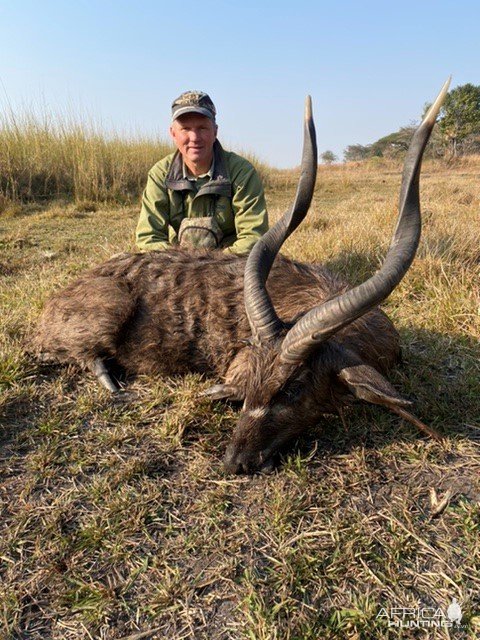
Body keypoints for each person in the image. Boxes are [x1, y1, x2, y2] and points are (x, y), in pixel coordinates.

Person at [136, 91, 268, 254]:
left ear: (215, 131)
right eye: (185, 129)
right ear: (173, 133)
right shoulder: (160, 174)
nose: (194, 137)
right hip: (179, 266)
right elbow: (149, 239)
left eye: (202, 128)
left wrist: (211, 265)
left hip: (230, 266)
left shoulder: (241, 172)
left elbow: (254, 237)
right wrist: (180, 263)